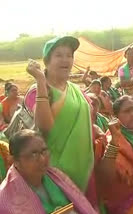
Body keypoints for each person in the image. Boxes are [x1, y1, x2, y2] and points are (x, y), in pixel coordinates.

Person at [25, 37, 95, 199]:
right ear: (47, 61)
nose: (65, 59)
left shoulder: (76, 90)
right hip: (55, 173)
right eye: (58, 55)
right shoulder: (37, 91)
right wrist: (41, 80)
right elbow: (45, 126)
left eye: (69, 55)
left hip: (84, 167)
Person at [0, 130, 97, 214]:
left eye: (44, 151)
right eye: (34, 154)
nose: (42, 159)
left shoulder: (56, 176)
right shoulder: (4, 198)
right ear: (15, 161)